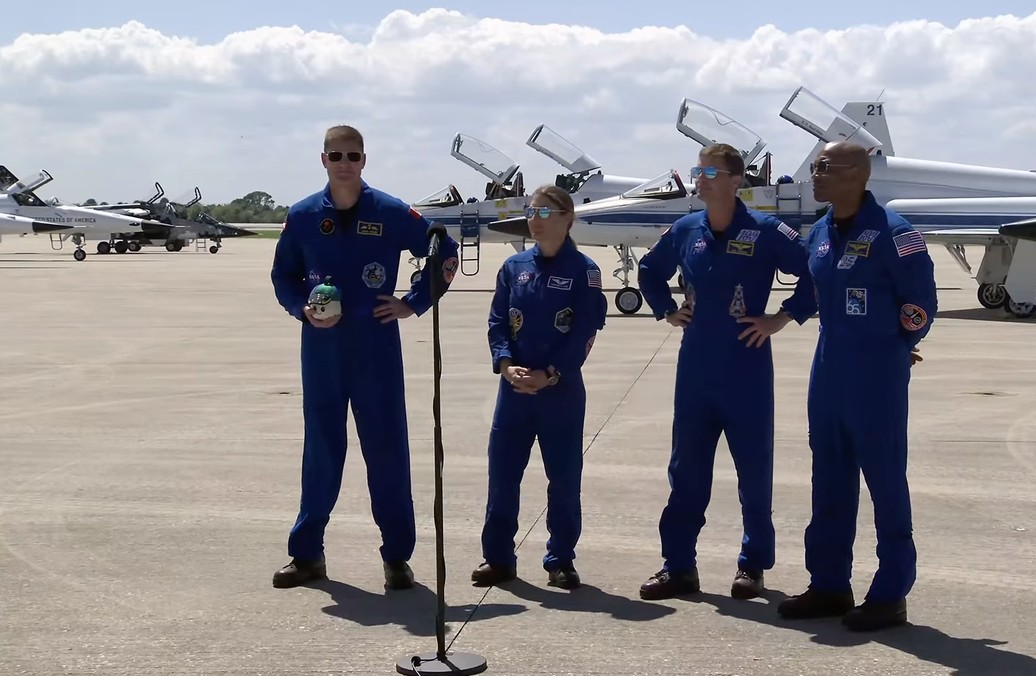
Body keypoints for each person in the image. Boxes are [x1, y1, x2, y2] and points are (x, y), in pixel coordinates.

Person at [269, 124, 461, 590]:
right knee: (321, 451)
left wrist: (413, 302)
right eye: (335, 156)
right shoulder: (302, 215)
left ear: (363, 160)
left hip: (376, 350)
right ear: (323, 160)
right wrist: (301, 310)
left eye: (352, 156)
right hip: (322, 352)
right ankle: (307, 554)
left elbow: (444, 252)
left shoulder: (391, 211)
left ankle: (397, 557)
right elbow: (283, 276)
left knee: (387, 451)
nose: (344, 164)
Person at [635, 143, 819, 601]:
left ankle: (752, 566)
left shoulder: (765, 230)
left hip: (746, 368)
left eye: (711, 172)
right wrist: (666, 309)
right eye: (699, 171)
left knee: (753, 472)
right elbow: (649, 270)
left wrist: (782, 317)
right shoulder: (686, 230)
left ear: (737, 181)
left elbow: (816, 270)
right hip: (696, 370)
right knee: (686, 471)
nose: (701, 179)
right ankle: (678, 566)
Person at [776, 141, 937, 631]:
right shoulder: (819, 232)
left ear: (857, 174)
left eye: (824, 167)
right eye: (815, 166)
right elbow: (811, 290)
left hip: (875, 374)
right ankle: (829, 584)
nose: (814, 174)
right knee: (828, 478)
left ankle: (890, 594)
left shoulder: (896, 234)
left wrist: (896, 346)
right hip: (828, 370)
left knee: (885, 481)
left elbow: (920, 305)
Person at [470, 184, 608, 590]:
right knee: (502, 476)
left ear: (568, 219)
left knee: (563, 480)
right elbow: (498, 321)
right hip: (514, 392)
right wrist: (505, 365)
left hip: (560, 392)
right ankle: (498, 558)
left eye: (545, 212)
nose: (535, 220)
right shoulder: (513, 268)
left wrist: (550, 374)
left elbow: (585, 330)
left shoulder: (585, 271)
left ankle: (560, 559)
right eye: (531, 212)